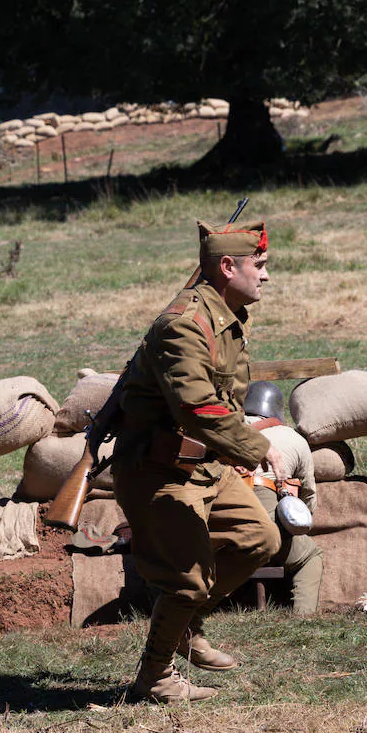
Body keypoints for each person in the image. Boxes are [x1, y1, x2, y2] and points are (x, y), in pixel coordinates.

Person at [112, 219, 283, 704]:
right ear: (228, 267)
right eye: (260, 265)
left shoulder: (225, 315)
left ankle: (187, 627)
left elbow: (222, 399)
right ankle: (156, 676)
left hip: (206, 465)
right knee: (187, 580)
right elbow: (198, 408)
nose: (266, 276)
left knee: (258, 539)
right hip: (160, 471)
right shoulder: (185, 325)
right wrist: (257, 446)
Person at [241, 380, 323, 615]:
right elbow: (308, 497)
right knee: (310, 556)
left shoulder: (222, 430)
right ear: (278, 411)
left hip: (210, 526)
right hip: (260, 529)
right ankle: (303, 619)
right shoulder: (292, 438)